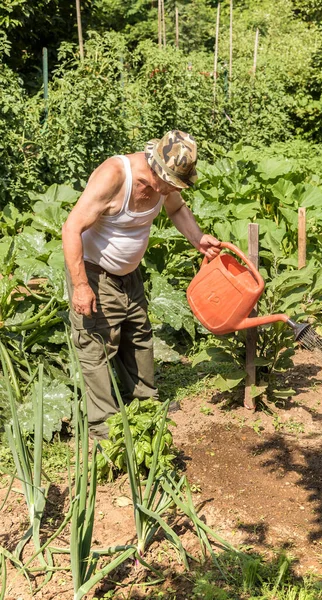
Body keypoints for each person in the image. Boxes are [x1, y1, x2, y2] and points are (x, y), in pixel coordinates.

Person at [62, 130, 221, 439]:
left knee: (138, 336)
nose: (174, 189)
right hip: (95, 274)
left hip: (130, 275)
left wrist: (198, 239)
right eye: (172, 182)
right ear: (156, 168)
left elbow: (176, 209)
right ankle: (104, 432)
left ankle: (145, 406)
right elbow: (71, 228)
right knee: (96, 346)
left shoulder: (165, 185)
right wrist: (81, 286)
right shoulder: (115, 176)